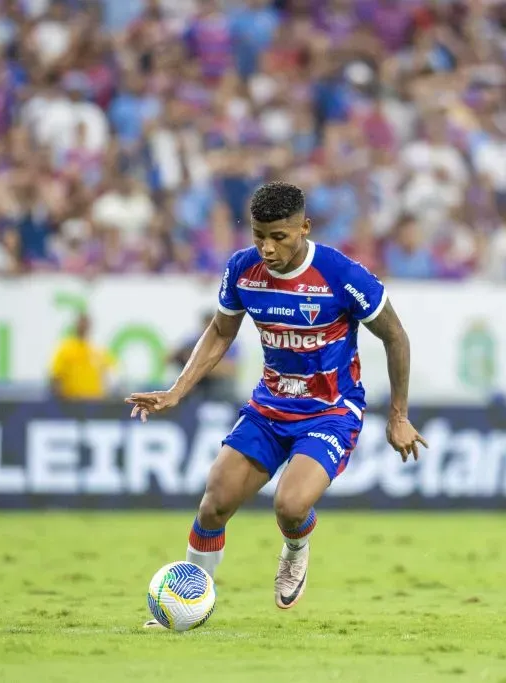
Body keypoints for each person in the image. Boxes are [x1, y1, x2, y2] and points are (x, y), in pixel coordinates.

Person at [126, 182, 426, 624]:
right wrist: (176, 390)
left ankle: (296, 547)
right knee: (214, 503)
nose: (266, 248)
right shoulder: (242, 269)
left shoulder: (340, 274)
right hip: (269, 407)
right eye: (258, 235)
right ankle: (188, 605)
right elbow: (221, 333)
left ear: (303, 228)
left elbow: (395, 336)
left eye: (278, 237)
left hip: (330, 411)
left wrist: (398, 414)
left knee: (289, 505)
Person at [169, 310, 239, 402]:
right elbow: (168, 358)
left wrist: (197, 361)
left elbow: (230, 370)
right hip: (195, 391)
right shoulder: (194, 340)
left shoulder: (229, 342)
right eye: (207, 325)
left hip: (219, 392)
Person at [48, 312, 117, 401]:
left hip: (96, 403)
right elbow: (55, 377)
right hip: (72, 404)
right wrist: (62, 401)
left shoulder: (96, 350)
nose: (84, 326)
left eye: (86, 323)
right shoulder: (65, 349)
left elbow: (111, 374)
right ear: (75, 325)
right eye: (81, 323)